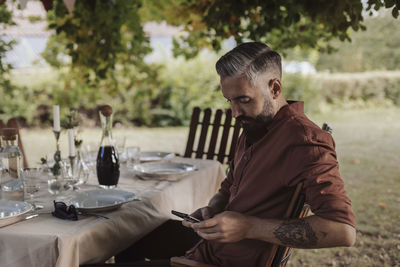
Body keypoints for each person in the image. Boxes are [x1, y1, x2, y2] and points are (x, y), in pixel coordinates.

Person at [86, 42, 356, 267]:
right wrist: (214, 207)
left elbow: (342, 230)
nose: (234, 113)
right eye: (229, 101)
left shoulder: (304, 142)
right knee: (128, 236)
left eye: (243, 100)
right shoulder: (255, 127)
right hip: (210, 248)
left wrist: (248, 227)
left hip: (223, 261)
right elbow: (229, 185)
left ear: (275, 88)